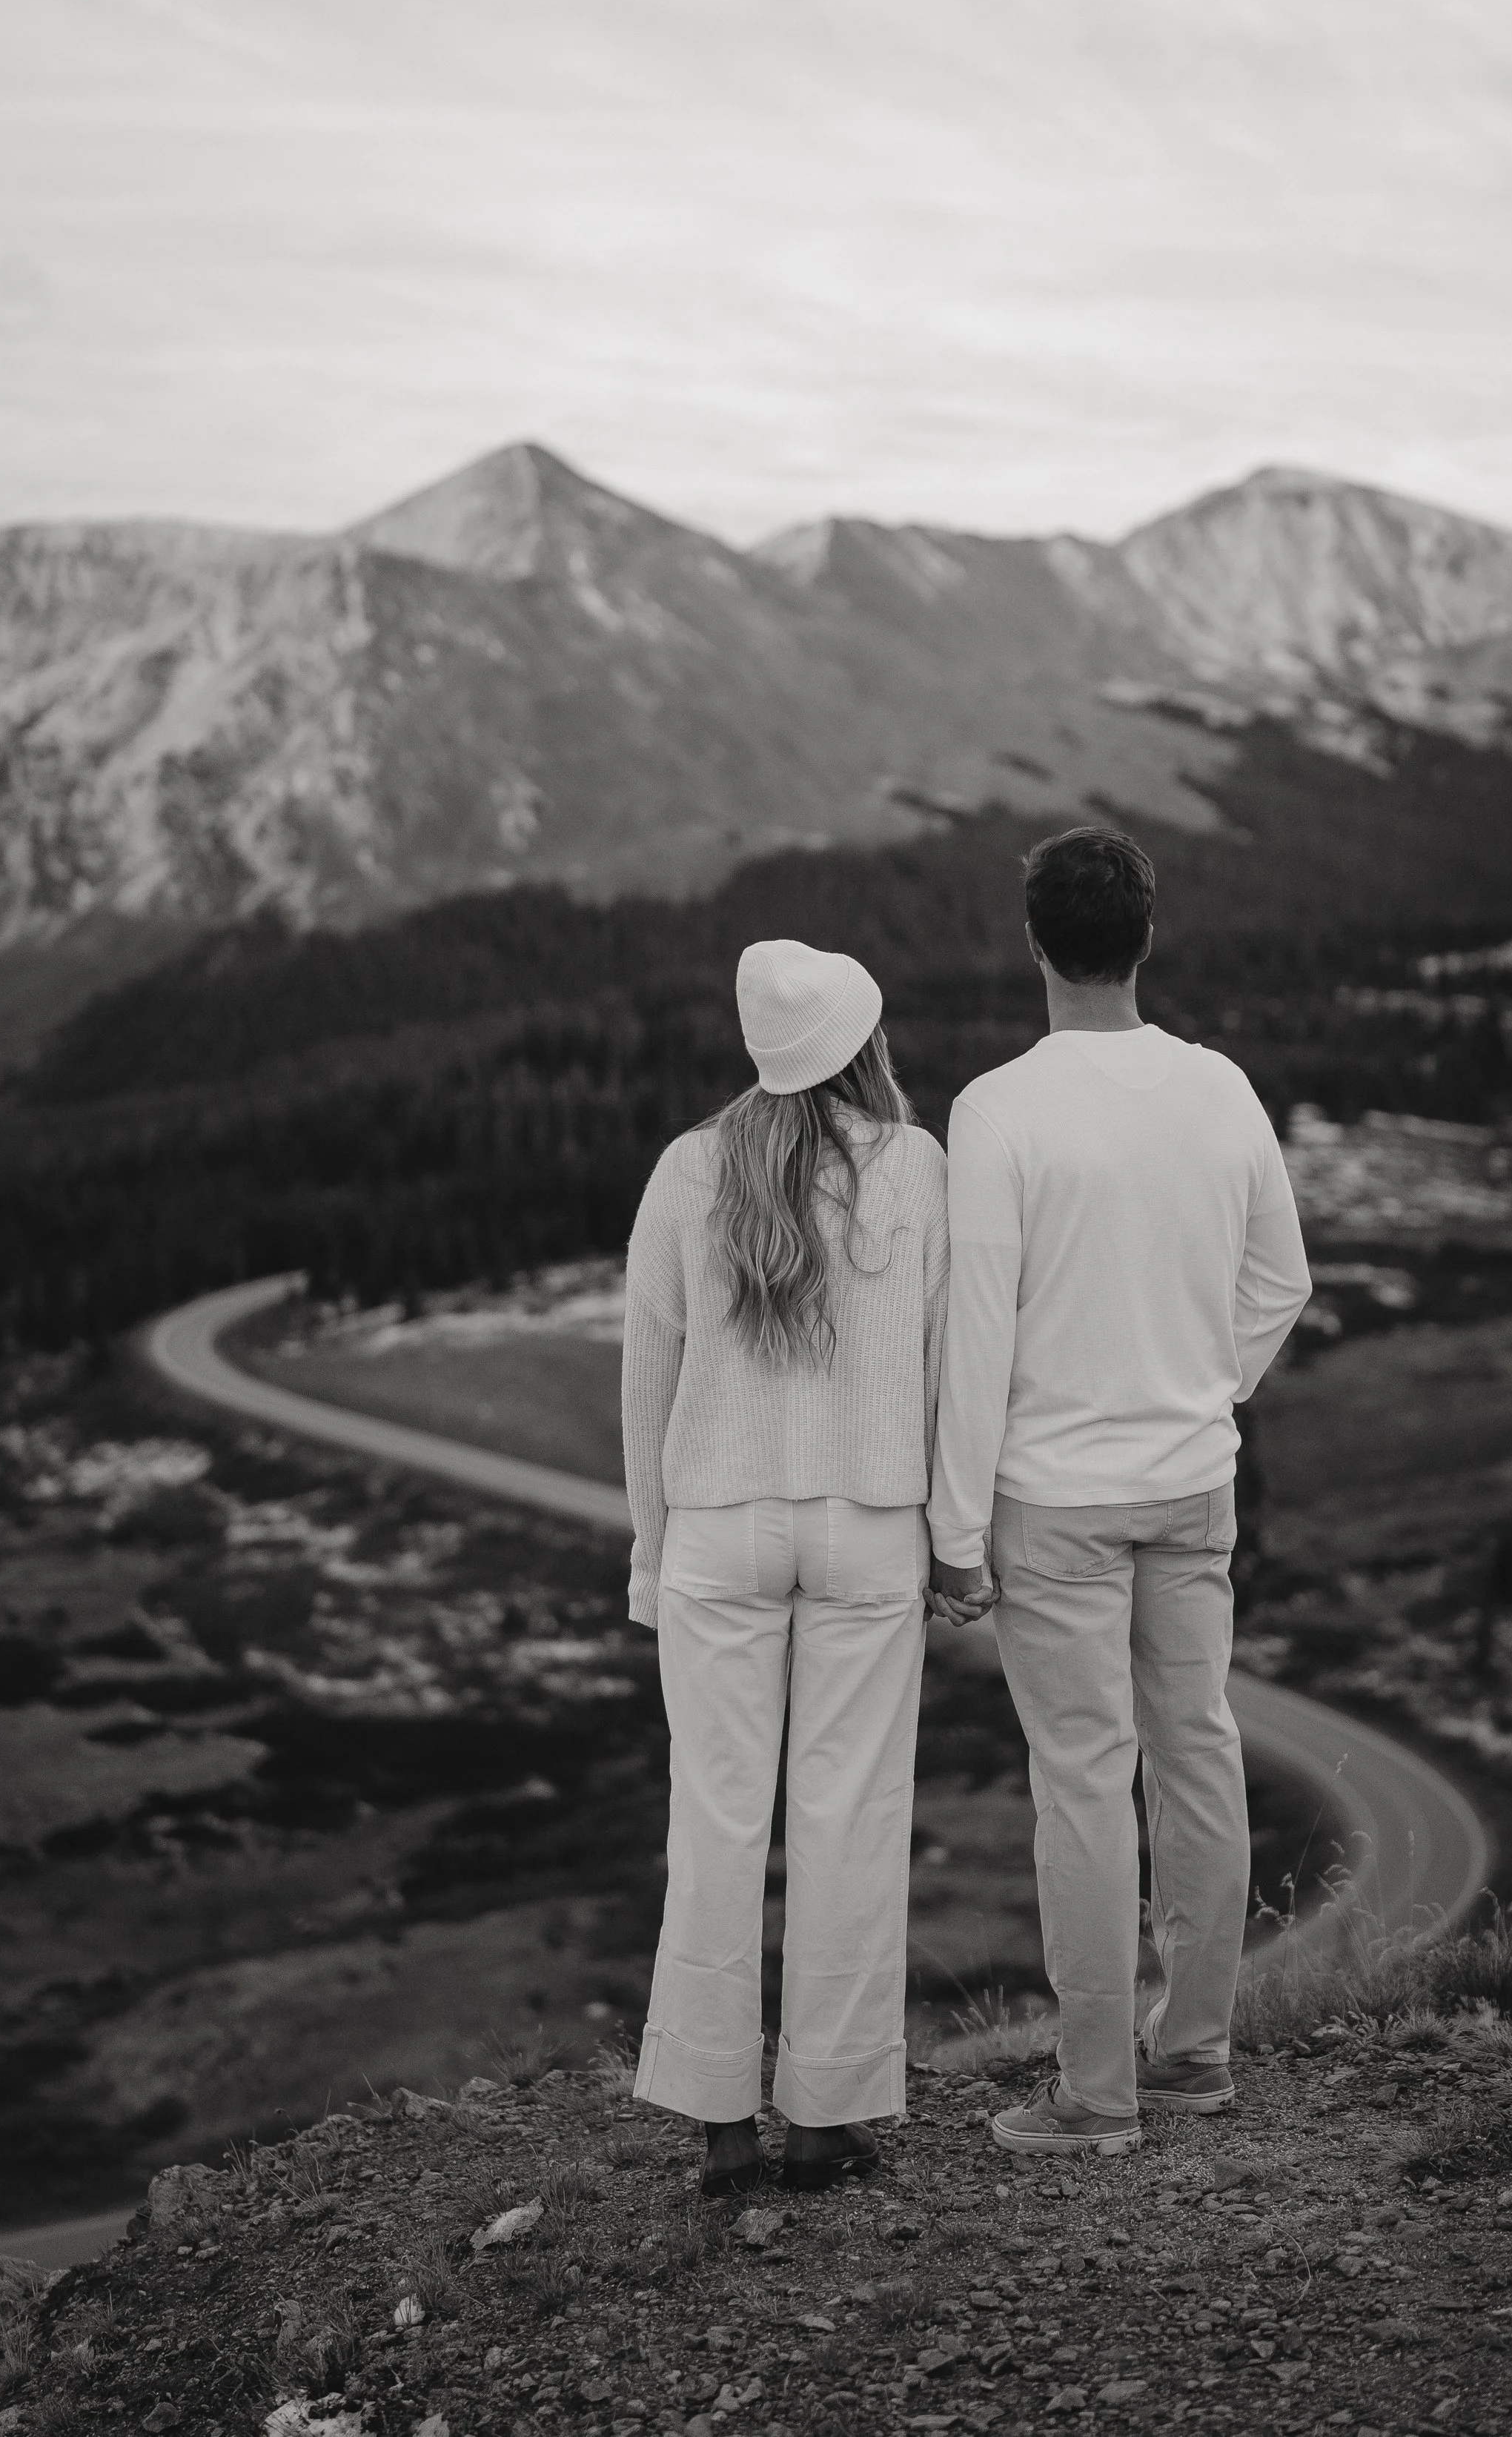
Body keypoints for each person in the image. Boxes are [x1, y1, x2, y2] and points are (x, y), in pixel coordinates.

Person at [927, 826, 1311, 2155]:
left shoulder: (999, 1109)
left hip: (1053, 1498)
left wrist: (954, 1530)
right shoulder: (1220, 1088)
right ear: (1146, 940)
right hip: (1192, 1480)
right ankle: (1194, 2056)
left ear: (1033, 942)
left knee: (1083, 1781)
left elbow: (976, 1329)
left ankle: (1093, 2093)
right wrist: (1208, 1386)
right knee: (1199, 1754)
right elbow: (1283, 1282)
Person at [620, 938, 950, 2195]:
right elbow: (942, 1364)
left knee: (712, 1817)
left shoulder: (685, 1170)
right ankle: (825, 2115)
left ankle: (718, 2122)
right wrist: (953, 1534)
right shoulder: (914, 1168)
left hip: (716, 1522)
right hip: (870, 1519)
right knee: (849, 1812)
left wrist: (653, 1555)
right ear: (863, 1044)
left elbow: (647, 1378)